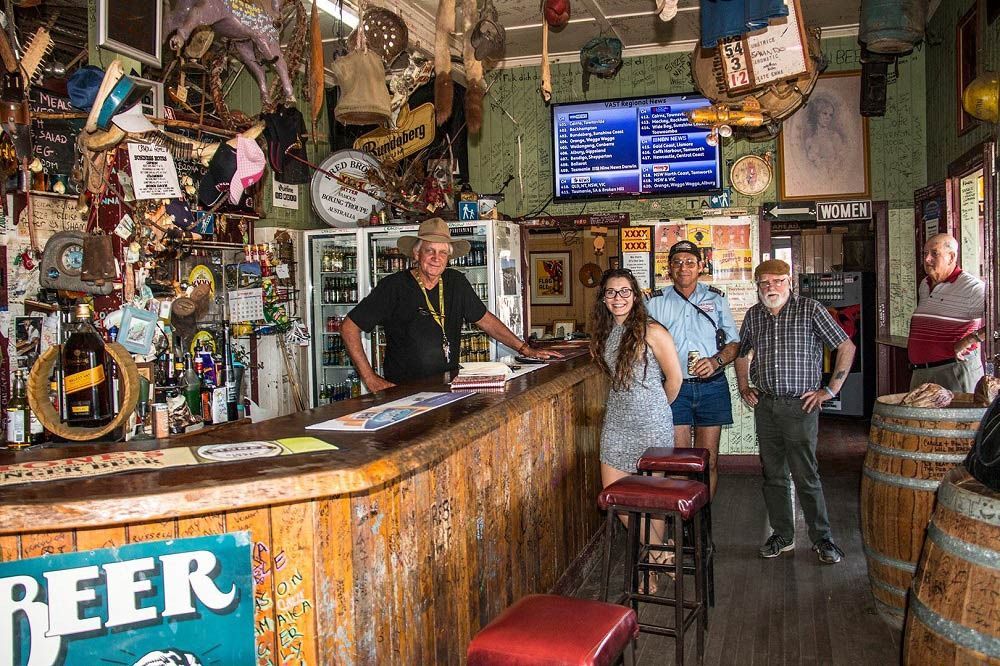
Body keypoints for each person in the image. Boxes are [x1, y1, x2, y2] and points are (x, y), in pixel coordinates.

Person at [343, 218, 559, 392]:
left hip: (447, 387)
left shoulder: (456, 282)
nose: (436, 258)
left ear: (449, 257)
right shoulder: (394, 287)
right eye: (430, 251)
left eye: (443, 252)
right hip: (403, 391)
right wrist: (370, 379)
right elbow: (349, 327)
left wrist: (525, 349)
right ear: (417, 254)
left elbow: (486, 320)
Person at [734, 259, 856, 565]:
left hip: (801, 406)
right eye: (765, 282)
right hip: (766, 405)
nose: (771, 287)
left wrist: (830, 390)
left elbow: (846, 346)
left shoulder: (811, 310)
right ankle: (783, 535)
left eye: (778, 281)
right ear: (758, 286)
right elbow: (741, 353)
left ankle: (822, 539)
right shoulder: (754, 315)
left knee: (806, 475)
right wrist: (743, 385)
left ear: (790, 282)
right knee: (773, 475)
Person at [592, 267, 683, 586]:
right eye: (611, 293)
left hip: (650, 426)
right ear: (603, 299)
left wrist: (654, 411)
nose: (618, 298)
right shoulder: (606, 331)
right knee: (617, 499)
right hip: (616, 426)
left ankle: (652, 565)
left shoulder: (653, 330)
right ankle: (661, 553)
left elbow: (675, 380)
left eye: (624, 292)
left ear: (636, 295)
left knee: (651, 502)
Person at [646, 241, 739, 498]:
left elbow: (734, 344)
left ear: (700, 266)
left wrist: (716, 362)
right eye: (677, 262)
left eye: (689, 262)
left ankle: (703, 524)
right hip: (674, 388)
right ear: (669, 269)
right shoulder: (653, 302)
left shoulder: (717, 299)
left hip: (713, 387)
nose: (683, 267)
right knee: (678, 464)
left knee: (708, 462)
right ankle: (682, 525)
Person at [907, 233, 986, 393]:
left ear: (951, 257)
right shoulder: (925, 284)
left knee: (957, 418)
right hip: (921, 373)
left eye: (934, 253)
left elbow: (996, 322)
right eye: (925, 253)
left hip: (953, 372)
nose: (927, 259)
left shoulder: (972, 287)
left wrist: (970, 339)